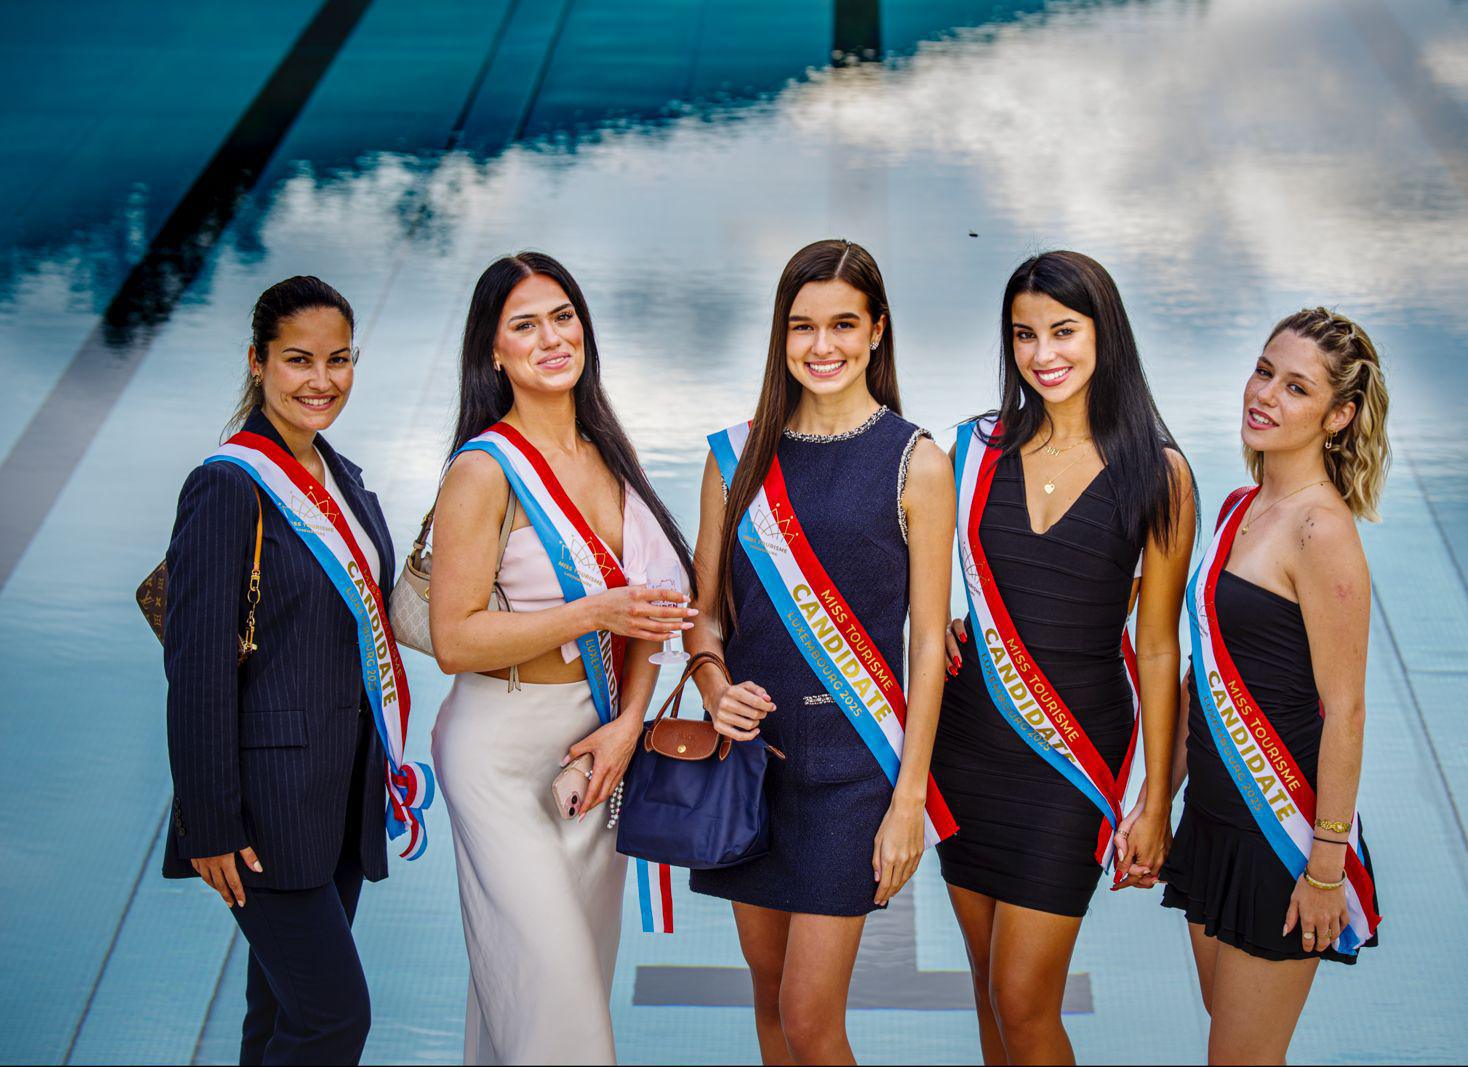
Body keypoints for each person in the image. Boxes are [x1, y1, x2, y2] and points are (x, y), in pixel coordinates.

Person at [686, 238, 958, 1064]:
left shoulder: (918, 462)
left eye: (844, 324)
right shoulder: (732, 457)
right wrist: (712, 684)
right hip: (752, 763)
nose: (822, 346)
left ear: (877, 329)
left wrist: (909, 798)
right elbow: (706, 616)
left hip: (854, 771)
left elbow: (924, 650)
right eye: (802, 326)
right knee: (768, 1004)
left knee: (811, 1017)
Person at [427, 252, 696, 1066]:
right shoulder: (482, 470)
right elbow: (454, 640)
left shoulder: (608, 452)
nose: (551, 337)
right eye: (524, 324)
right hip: (500, 754)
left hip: (593, 751)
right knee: (561, 1019)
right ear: (494, 351)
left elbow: (651, 611)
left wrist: (626, 726)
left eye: (563, 316)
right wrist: (593, 611)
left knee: (530, 998)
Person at [935, 251, 1195, 1064]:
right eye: (1024, 335)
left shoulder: (1159, 474)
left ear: (1102, 333)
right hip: (968, 743)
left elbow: (1156, 646)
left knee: (1024, 996)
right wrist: (931, 616)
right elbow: (910, 566)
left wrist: (1154, 799)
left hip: (1072, 760)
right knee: (988, 993)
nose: (1043, 353)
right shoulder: (973, 449)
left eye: (1063, 331)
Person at [162, 276, 428, 1065]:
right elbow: (199, 669)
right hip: (262, 815)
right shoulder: (227, 485)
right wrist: (210, 821)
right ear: (257, 361)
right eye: (298, 360)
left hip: (336, 800)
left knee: (277, 1015)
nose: (322, 381)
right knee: (332, 1020)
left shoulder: (341, 477)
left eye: (339, 359)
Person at [1153, 307, 1387, 1063]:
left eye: (1295, 387)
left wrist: (1325, 867)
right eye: (1263, 371)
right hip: (1213, 824)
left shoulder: (1324, 533)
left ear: (1339, 415)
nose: (1265, 395)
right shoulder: (1237, 509)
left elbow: (1346, 712)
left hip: (1280, 836)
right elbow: (1201, 682)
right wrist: (1156, 803)